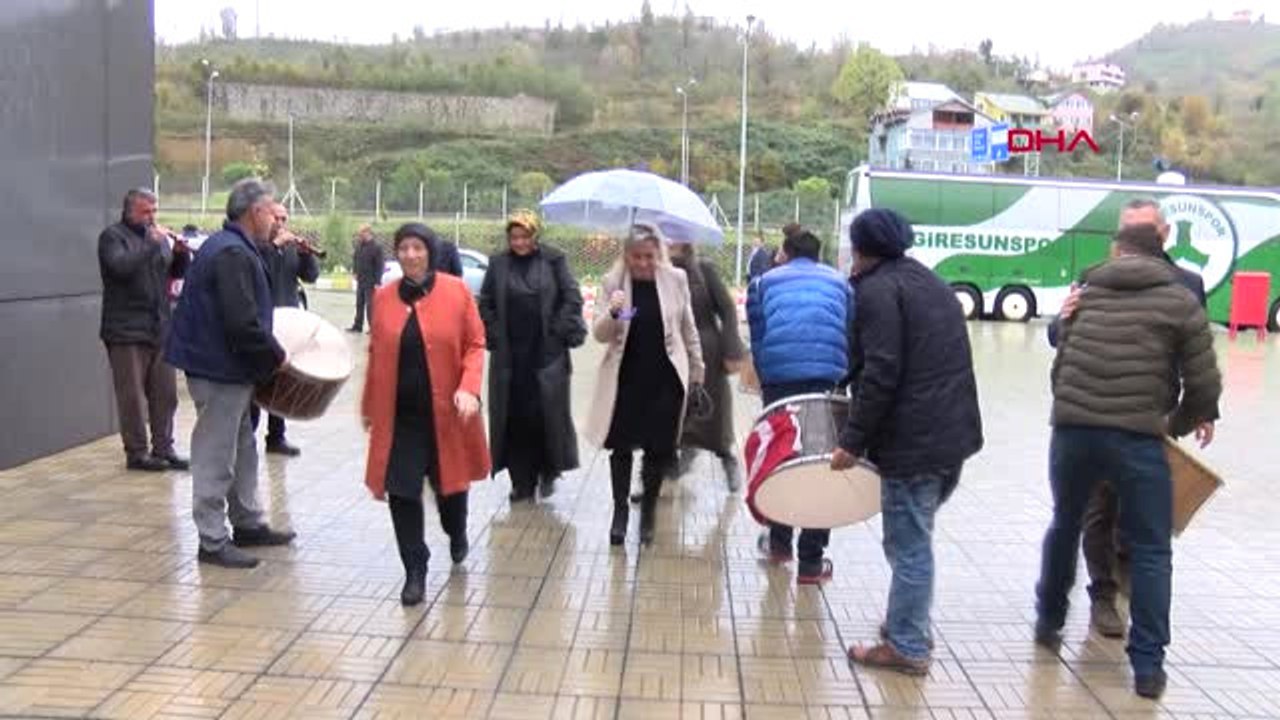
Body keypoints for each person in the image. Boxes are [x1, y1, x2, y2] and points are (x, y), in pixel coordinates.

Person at [1035, 222, 1221, 700]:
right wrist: (1172, 424)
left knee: (1065, 523)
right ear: (1162, 257)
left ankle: (1050, 620)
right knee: (1153, 548)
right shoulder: (1181, 301)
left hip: (1074, 432)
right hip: (1138, 438)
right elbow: (1204, 385)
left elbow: (1061, 368)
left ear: (1119, 252)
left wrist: (1077, 412)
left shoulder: (1086, 294)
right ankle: (1148, 668)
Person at [831, 208, 983, 675]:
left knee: (908, 545)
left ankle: (907, 646)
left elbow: (882, 370)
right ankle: (907, 621)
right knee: (914, 537)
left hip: (914, 441)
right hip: (953, 436)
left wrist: (851, 442)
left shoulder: (878, 290)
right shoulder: (927, 282)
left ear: (859, 249)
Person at [165, 178, 297, 569]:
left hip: (228, 368)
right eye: (273, 211)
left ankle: (247, 523)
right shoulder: (232, 254)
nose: (276, 220)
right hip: (218, 369)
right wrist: (277, 358)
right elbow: (241, 323)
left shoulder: (233, 247)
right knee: (216, 452)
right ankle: (212, 540)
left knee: (242, 446)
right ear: (255, 211)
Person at [361, 223, 490, 606]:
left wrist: (469, 388)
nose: (410, 255)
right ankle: (414, 568)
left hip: (446, 416)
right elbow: (375, 354)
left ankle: (457, 530)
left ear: (430, 252)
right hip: (401, 417)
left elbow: (475, 343)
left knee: (450, 489)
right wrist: (370, 406)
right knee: (401, 492)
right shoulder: (383, 298)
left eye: (418, 248)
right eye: (403, 248)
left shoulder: (456, 291)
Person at [585, 224, 704, 547]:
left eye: (649, 256)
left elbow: (688, 328)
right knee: (621, 447)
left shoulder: (675, 280)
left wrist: (697, 372)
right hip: (625, 378)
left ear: (659, 254)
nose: (642, 263)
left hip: (665, 378)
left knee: (659, 448)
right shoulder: (614, 284)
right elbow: (599, 334)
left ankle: (648, 511)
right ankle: (620, 511)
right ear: (626, 255)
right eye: (636, 256)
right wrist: (614, 312)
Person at [746, 225, 852, 585]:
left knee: (783, 457)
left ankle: (779, 544)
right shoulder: (840, 282)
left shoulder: (763, 283)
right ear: (818, 255)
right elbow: (849, 330)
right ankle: (811, 561)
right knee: (822, 464)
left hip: (779, 382)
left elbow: (758, 338)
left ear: (785, 253)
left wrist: (768, 377)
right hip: (828, 381)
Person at [479, 211, 586, 504]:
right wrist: (494, 331)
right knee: (513, 420)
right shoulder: (498, 264)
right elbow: (485, 301)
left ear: (535, 236)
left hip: (546, 356)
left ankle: (548, 470)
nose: (519, 242)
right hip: (510, 358)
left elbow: (571, 297)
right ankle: (520, 482)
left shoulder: (554, 260)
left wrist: (556, 329)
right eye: (514, 237)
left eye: (525, 236)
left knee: (545, 417)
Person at [97, 188, 191, 472]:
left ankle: (164, 448)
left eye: (154, 211)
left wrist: (180, 255)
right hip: (125, 330)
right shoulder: (112, 237)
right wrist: (151, 244)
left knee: (166, 393)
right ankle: (137, 453)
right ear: (129, 211)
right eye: (145, 212)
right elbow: (120, 268)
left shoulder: (157, 239)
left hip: (158, 327)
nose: (151, 218)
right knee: (132, 397)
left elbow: (172, 274)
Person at [667, 239, 747, 491]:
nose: (670, 243)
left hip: (707, 352)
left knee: (713, 412)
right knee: (668, 416)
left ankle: (727, 459)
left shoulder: (704, 270)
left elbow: (727, 309)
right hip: (670, 351)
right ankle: (660, 476)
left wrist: (732, 346)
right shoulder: (657, 272)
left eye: (674, 239)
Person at [247, 202, 321, 457]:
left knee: (282, 382)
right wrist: (275, 245)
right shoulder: (255, 247)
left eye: (284, 219)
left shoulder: (291, 249)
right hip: (262, 322)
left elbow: (311, 276)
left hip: (288, 321)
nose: (280, 223)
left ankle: (276, 437)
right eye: (276, 218)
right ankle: (248, 435)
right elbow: (257, 267)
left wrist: (305, 254)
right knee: (257, 381)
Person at [349, 225, 384, 333]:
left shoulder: (376, 247)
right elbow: (355, 259)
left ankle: (373, 328)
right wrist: (355, 271)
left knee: (370, 306)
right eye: (359, 234)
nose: (360, 236)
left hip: (371, 280)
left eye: (361, 233)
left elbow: (379, 266)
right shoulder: (360, 246)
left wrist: (377, 281)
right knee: (359, 303)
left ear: (368, 232)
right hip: (361, 279)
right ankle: (357, 325)